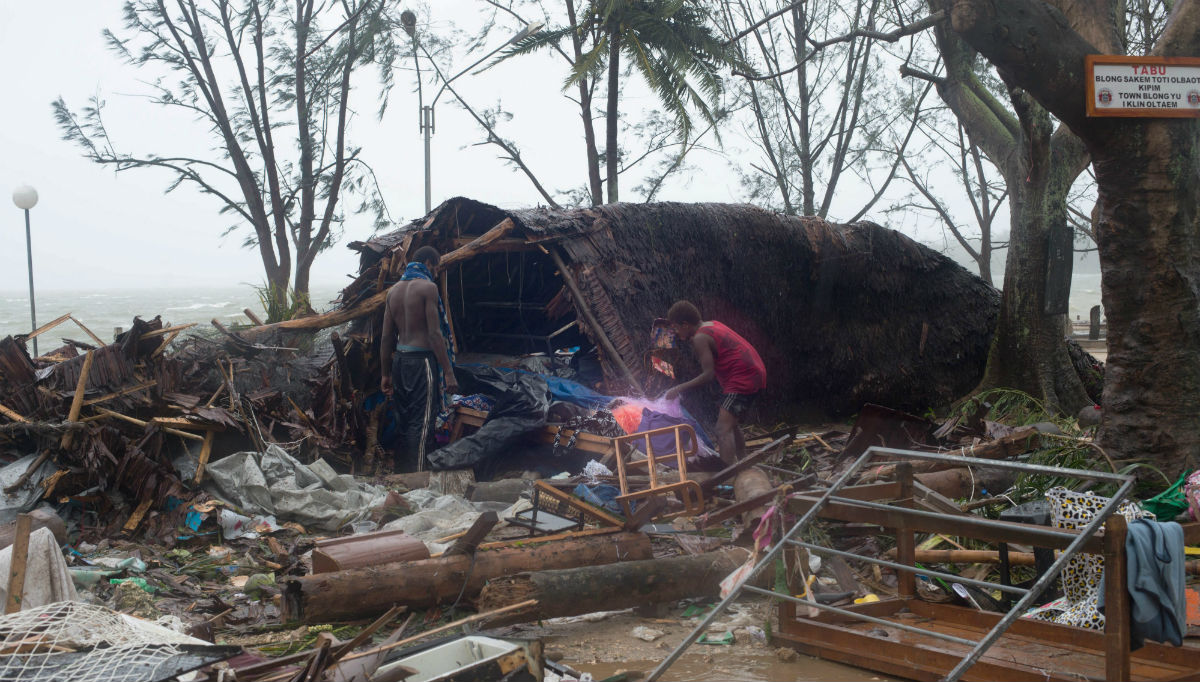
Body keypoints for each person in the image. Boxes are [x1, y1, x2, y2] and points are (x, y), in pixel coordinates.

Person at [380, 246, 459, 472]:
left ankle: (401, 473)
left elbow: (386, 338)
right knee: (422, 421)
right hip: (421, 362)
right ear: (428, 262)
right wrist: (449, 372)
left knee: (403, 420)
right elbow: (435, 334)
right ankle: (417, 477)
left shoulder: (393, 292)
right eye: (436, 267)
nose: (436, 273)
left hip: (399, 362)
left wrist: (385, 374)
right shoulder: (428, 288)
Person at [663, 301, 765, 465]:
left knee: (721, 429)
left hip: (743, 377)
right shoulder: (712, 324)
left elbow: (708, 374)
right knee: (731, 424)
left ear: (685, 324)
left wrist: (678, 388)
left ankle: (725, 473)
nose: (675, 332)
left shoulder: (699, 338)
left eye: (675, 328)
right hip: (754, 371)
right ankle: (743, 463)